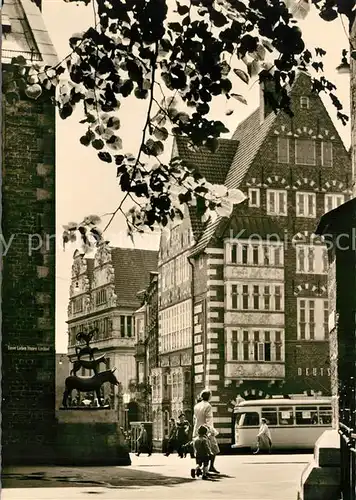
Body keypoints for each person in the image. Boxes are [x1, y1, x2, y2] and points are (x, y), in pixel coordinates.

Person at [193, 389, 220, 474]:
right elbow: (209, 419)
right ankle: (210, 466)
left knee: (199, 450)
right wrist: (211, 431)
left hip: (197, 429)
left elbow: (195, 418)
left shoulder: (196, 405)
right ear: (209, 396)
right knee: (214, 449)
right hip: (206, 430)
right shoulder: (208, 406)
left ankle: (199, 466)